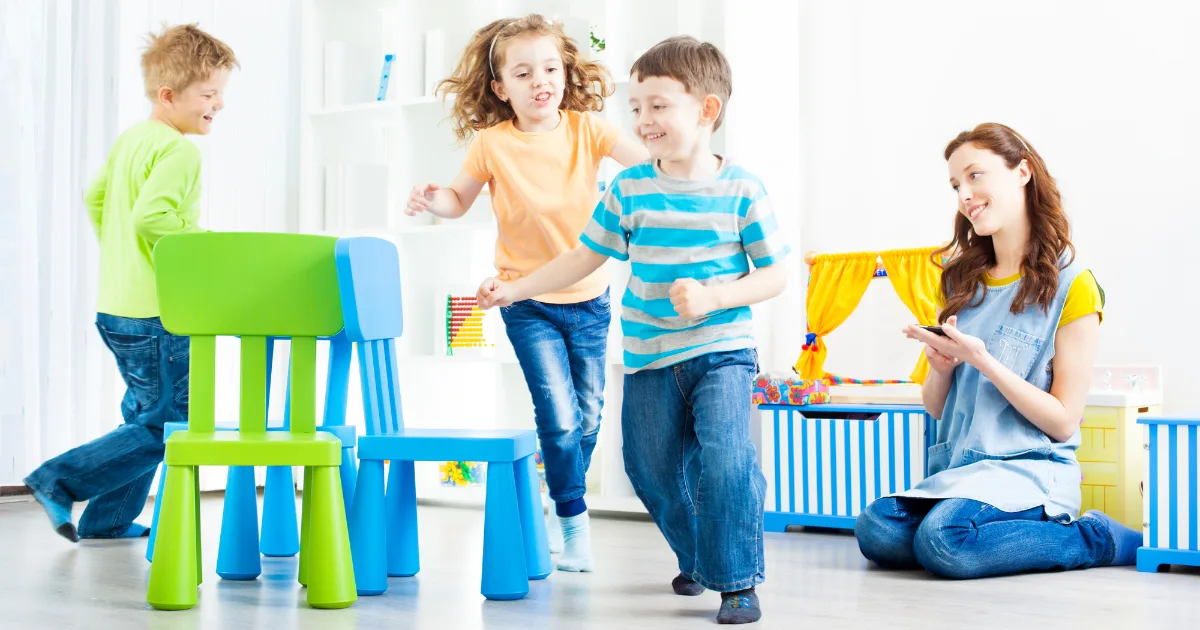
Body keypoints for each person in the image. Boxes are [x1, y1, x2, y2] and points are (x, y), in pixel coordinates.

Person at [478, 36, 788, 625]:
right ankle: (698, 555)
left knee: (726, 458)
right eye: (636, 107)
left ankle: (737, 580)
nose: (642, 120)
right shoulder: (629, 188)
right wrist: (515, 288)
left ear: (706, 111)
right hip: (649, 356)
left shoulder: (743, 189)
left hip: (722, 352)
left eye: (658, 106)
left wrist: (716, 296)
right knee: (646, 468)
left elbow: (774, 274)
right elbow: (583, 258)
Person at [405, 14, 647, 572]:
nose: (540, 80)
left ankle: (560, 486)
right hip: (524, 301)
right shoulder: (492, 144)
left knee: (586, 419)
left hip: (589, 298)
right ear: (500, 88)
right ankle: (572, 520)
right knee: (558, 418)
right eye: (523, 72)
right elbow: (457, 202)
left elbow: (648, 165)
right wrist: (431, 199)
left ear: (565, 73)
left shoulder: (590, 129)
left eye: (550, 68)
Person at [853, 122, 1142, 579]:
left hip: (1026, 474)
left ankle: (1095, 538)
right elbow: (934, 406)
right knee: (875, 528)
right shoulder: (960, 280)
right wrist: (943, 368)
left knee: (944, 544)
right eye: (955, 185)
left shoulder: (1074, 287)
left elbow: (1064, 420)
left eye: (975, 175)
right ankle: (963, 530)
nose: (964, 194)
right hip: (961, 472)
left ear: (1022, 172)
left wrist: (983, 360)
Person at [24, 24, 237, 542]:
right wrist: (202, 246)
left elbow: (98, 199)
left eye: (221, 93)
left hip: (117, 306)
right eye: (209, 94)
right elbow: (152, 219)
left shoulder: (133, 140)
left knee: (145, 414)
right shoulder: (180, 152)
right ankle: (57, 479)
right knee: (173, 426)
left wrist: (123, 255)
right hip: (157, 312)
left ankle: (108, 518)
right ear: (169, 96)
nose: (220, 104)